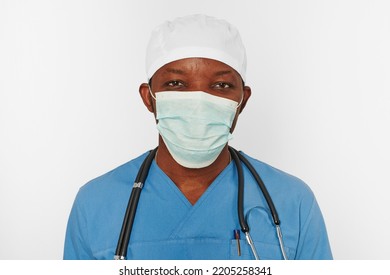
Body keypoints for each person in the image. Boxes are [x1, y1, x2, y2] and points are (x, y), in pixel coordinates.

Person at [64, 14, 332, 260]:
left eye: (221, 85)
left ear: (242, 100)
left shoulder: (292, 202)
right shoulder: (96, 204)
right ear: (149, 97)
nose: (199, 101)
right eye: (176, 84)